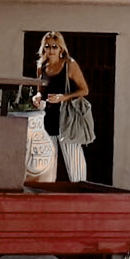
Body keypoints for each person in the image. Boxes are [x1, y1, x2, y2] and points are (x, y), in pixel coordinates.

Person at [31, 31, 89, 182]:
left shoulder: (69, 65)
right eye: (47, 46)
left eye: (54, 46)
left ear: (61, 48)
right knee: (48, 166)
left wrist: (63, 97)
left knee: (76, 167)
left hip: (67, 120)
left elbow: (84, 90)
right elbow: (40, 91)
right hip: (48, 119)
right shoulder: (42, 66)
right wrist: (37, 97)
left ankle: (81, 199)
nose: (50, 50)